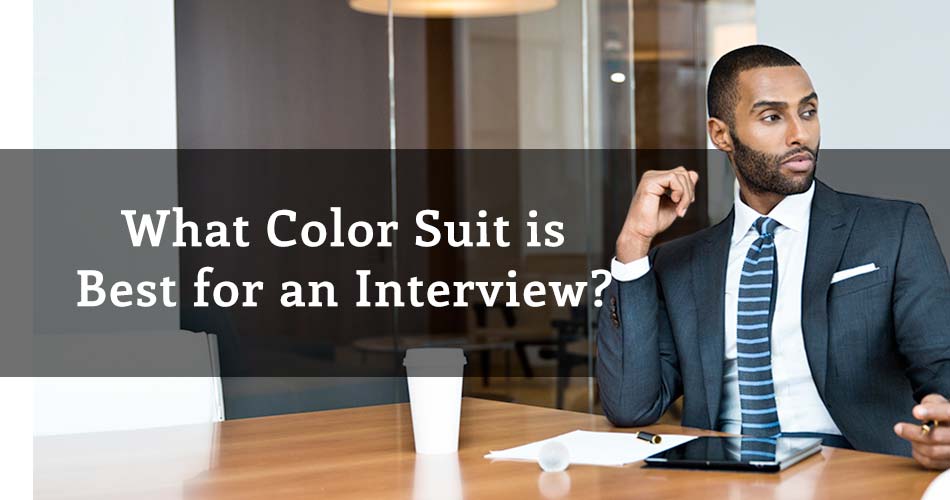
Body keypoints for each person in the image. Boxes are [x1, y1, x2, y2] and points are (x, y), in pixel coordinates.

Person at [598, 44, 950, 470]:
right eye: (772, 117)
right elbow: (631, 406)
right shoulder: (682, 263)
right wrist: (633, 246)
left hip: (857, 470)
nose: (799, 134)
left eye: (808, 111)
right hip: (720, 475)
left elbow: (941, 366)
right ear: (721, 134)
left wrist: (942, 421)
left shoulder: (893, 230)